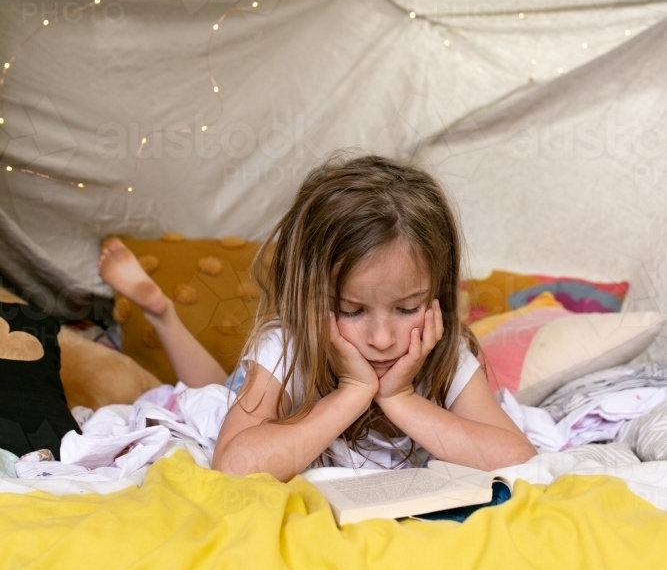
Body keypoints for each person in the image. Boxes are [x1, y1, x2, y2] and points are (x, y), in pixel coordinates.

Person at [99, 155, 536, 482]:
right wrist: (352, 392)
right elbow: (233, 465)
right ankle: (162, 312)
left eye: (406, 308)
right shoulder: (286, 346)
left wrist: (403, 398)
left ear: (437, 297)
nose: (382, 339)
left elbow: (518, 458)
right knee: (213, 395)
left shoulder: (445, 352)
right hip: (267, 389)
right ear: (309, 297)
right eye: (351, 310)